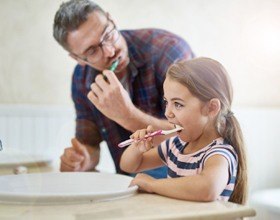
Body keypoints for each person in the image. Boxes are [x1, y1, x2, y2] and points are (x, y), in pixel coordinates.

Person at [53, 0, 194, 177]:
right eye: (91, 51)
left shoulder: (167, 51)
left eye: (108, 35)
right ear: (77, 58)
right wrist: (83, 160)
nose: (110, 51)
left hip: (188, 182)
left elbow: (193, 133)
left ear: (112, 20)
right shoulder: (82, 79)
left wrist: (127, 115)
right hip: (131, 186)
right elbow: (90, 144)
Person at [120, 57, 248, 204]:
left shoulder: (219, 153)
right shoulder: (175, 146)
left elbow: (207, 188)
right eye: (167, 102)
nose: (168, 113)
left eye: (178, 104)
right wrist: (137, 148)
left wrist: (152, 184)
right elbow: (129, 165)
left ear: (211, 108)